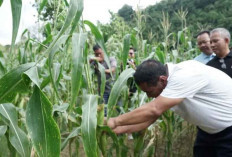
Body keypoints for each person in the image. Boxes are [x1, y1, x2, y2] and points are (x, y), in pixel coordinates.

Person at [108, 59, 232, 156]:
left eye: (149, 91)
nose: (149, 96)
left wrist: (115, 121)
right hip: (208, 131)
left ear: (162, 80)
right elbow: (148, 120)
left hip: (228, 131)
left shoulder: (185, 75)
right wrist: (115, 129)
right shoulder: (168, 85)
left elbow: (153, 109)